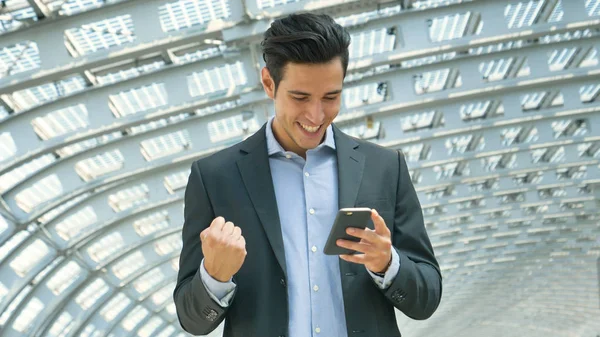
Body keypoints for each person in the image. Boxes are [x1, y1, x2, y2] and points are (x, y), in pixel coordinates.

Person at [173, 12, 442, 337]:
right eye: (300, 97)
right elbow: (192, 321)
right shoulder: (215, 177)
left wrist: (387, 263)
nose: (316, 115)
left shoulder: (385, 168)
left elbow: (426, 298)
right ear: (269, 83)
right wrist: (215, 275)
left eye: (331, 97)